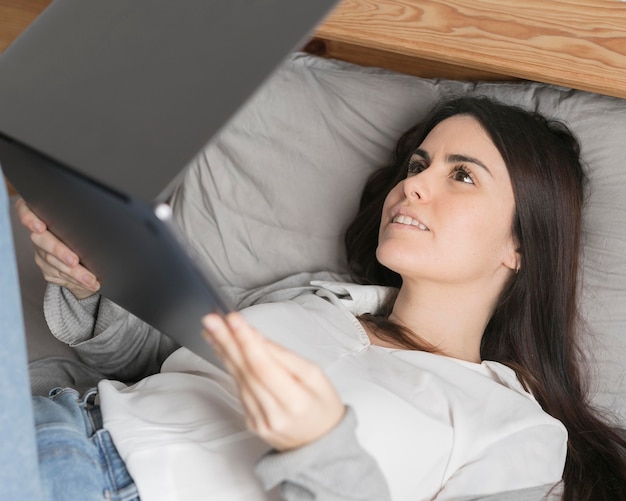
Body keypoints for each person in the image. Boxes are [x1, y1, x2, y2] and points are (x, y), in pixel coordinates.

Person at [15, 96, 626, 500]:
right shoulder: (317, 298)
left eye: (460, 175)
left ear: (520, 245)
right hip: (49, 418)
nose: (412, 185)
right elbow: (151, 363)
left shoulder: (518, 436)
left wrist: (320, 448)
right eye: (418, 164)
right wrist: (97, 282)